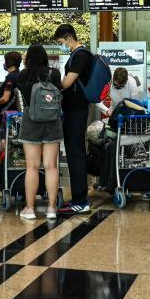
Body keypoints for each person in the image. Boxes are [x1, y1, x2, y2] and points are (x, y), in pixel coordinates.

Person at [15, 44, 62, 221]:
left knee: (32, 167)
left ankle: (30, 208)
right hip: (52, 123)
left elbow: (23, 96)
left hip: (31, 122)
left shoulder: (23, 75)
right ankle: (51, 208)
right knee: (51, 166)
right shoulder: (54, 74)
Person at [55, 23, 94, 215]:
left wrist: (53, 84)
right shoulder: (78, 55)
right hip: (74, 109)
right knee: (74, 153)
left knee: (76, 153)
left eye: (61, 42)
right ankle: (79, 197)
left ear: (69, 39)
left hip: (76, 110)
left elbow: (67, 82)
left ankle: (81, 199)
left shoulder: (80, 55)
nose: (62, 45)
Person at [0, 51, 21, 190]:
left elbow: (5, 98)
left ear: (8, 63)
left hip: (8, 118)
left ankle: (2, 180)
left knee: (4, 147)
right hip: (20, 118)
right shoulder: (22, 75)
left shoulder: (10, 78)